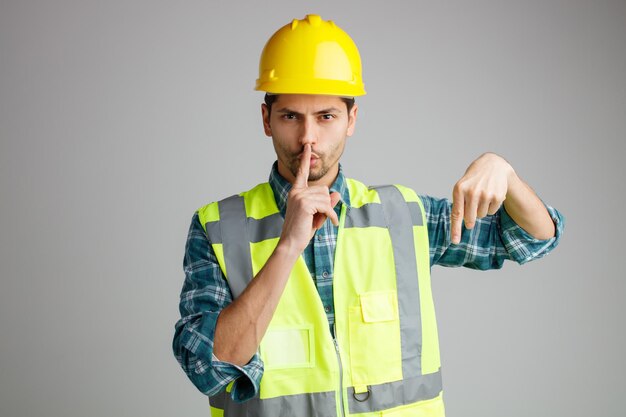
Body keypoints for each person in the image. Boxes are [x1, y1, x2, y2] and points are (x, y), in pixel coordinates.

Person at [173, 14, 564, 417]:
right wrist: (288, 245)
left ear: (351, 120)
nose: (308, 137)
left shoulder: (403, 216)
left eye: (326, 116)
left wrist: (505, 172)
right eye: (291, 116)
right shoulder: (219, 228)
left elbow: (533, 238)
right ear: (266, 120)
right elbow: (211, 365)